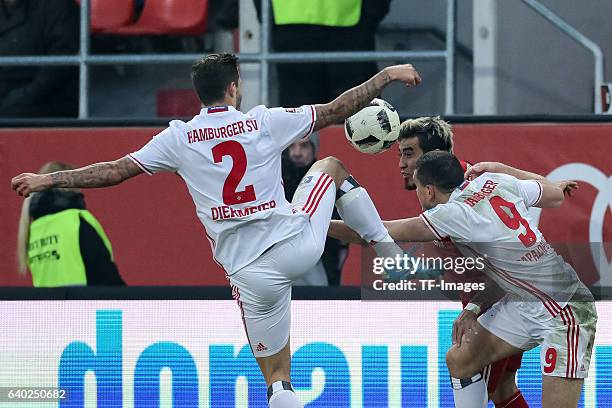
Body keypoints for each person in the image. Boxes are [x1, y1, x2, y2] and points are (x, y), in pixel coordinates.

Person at [11, 53, 421, 407]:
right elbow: (336, 109)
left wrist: (48, 181)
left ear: (199, 94)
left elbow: (115, 172)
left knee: (277, 378)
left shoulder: (180, 137)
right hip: (295, 245)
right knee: (330, 166)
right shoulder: (263, 122)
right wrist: (386, 76)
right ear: (234, 87)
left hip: (249, 276)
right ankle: (391, 256)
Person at [330, 151, 594, 408]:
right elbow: (555, 194)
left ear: (429, 191)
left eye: (418, 187)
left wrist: (318, 224)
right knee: (460, 359)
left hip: (565, 312)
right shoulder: (495, 181)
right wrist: (500, 167)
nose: (418, 193)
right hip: (523, 303)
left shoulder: (451, 215)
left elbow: (377, 231)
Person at [397, 116, 528, 407]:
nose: (401, 165)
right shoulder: (453, 184)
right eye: (400, 154)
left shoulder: (464, 197)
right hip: (495, 302)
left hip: (496, 307)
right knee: (502, 390)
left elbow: (505, 261)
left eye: (409, 154)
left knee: (476, 387)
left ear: (434, 156)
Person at [254, 0, 391, 107]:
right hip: (350, 19)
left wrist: (267, 16)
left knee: (301, 121)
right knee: (359, 115)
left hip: (290, 19)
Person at [16, 162, 124, 287]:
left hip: (47, 306)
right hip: (81, 304)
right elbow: (106, 276)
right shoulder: (76, 220)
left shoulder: (35, 230)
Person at [282, 133, 348, 286]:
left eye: (304, 146)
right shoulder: (277, 178)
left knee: (318, 306)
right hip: (281, 263)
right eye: (292, 146)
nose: (296, 153)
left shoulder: (327, 178)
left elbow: (343, 233)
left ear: (314, 149)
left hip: (319, 263)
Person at [0, 0, 79, 117]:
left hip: (49, 99)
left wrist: (26, 94)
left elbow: (61, 60)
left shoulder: (59, 6)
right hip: (8, 93)